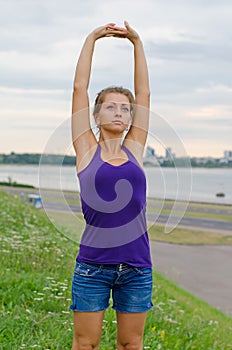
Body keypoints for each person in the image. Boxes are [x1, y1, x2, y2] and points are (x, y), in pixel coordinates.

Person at [70, 21, 153, 350]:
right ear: (95, 115)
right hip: (92, 267)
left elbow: (144, 94)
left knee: (131, 345)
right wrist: (92, 38)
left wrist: (137, 42)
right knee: (85, 344)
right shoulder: (87, 151)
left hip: (137, 267)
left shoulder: (134, 149)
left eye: (125, 108)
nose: (119, 112)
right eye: (110, 106)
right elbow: (79, 87)